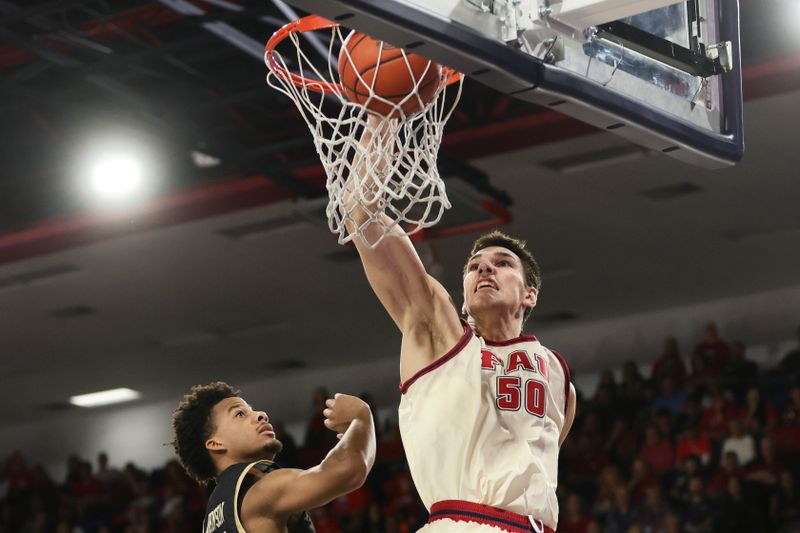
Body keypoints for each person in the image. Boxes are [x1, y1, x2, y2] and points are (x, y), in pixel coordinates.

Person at [344, 117, 576, 533]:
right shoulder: (437, 332)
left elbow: (537, 463)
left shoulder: (558, 375)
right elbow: (361, 213)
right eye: (473, 266)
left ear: (529, 294)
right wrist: (384, 117)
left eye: (502, 264)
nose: (485, 268)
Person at [171, 382, 375, 533]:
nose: (261, 414)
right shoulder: (260, 491)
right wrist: (361, 416)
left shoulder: (216, 512)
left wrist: (355, 436)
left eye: (251, 410)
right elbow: (348, 470)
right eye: (240, 414)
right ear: (215, 443)